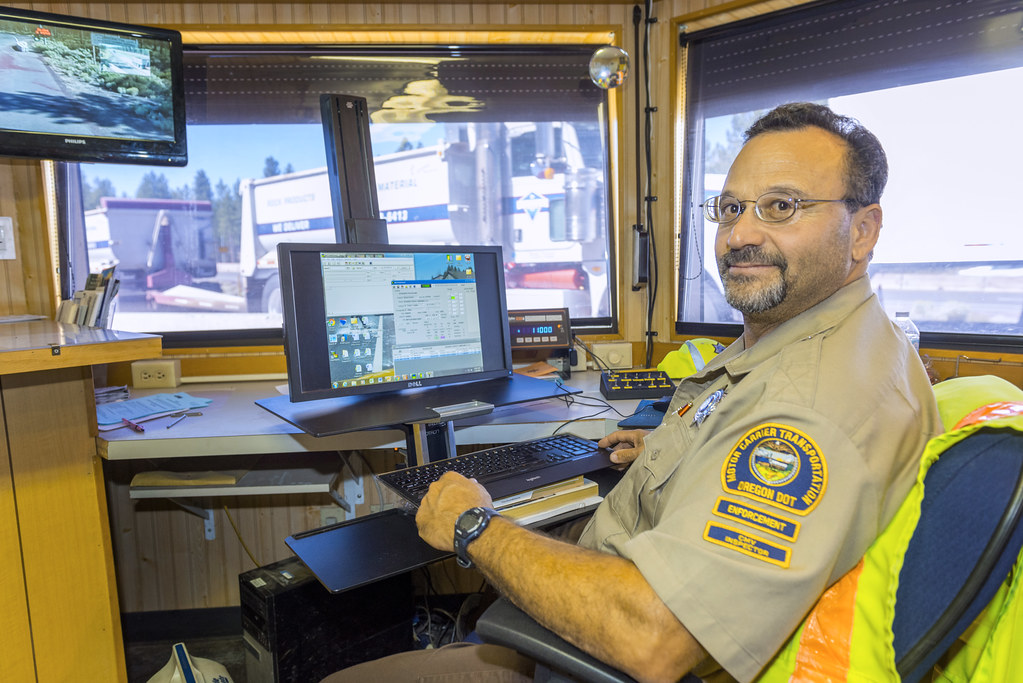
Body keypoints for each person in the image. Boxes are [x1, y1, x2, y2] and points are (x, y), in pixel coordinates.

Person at [322, 102, 942, 683]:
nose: (738, 236)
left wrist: (475, 526)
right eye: (730, 209)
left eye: (781, 207)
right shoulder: (826, 340)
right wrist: (683, 449)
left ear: (863, 230)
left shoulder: (809, 407)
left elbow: (658, 638)